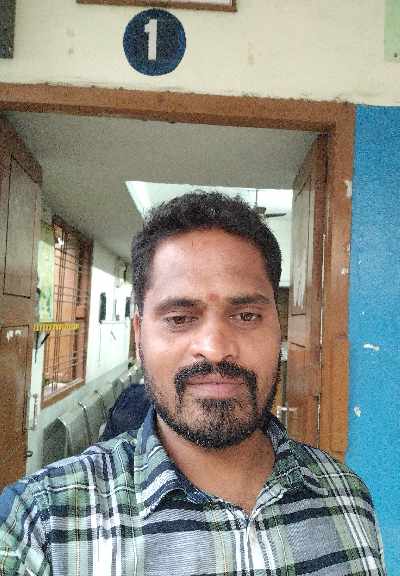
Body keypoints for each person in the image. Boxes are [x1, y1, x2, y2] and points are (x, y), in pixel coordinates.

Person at [0, 192, 386, 575]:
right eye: (180, 318)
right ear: (139, 337)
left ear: (278, 330)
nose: (215, 349)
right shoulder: (39, 526)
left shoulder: (347, 496)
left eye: (247, 315)